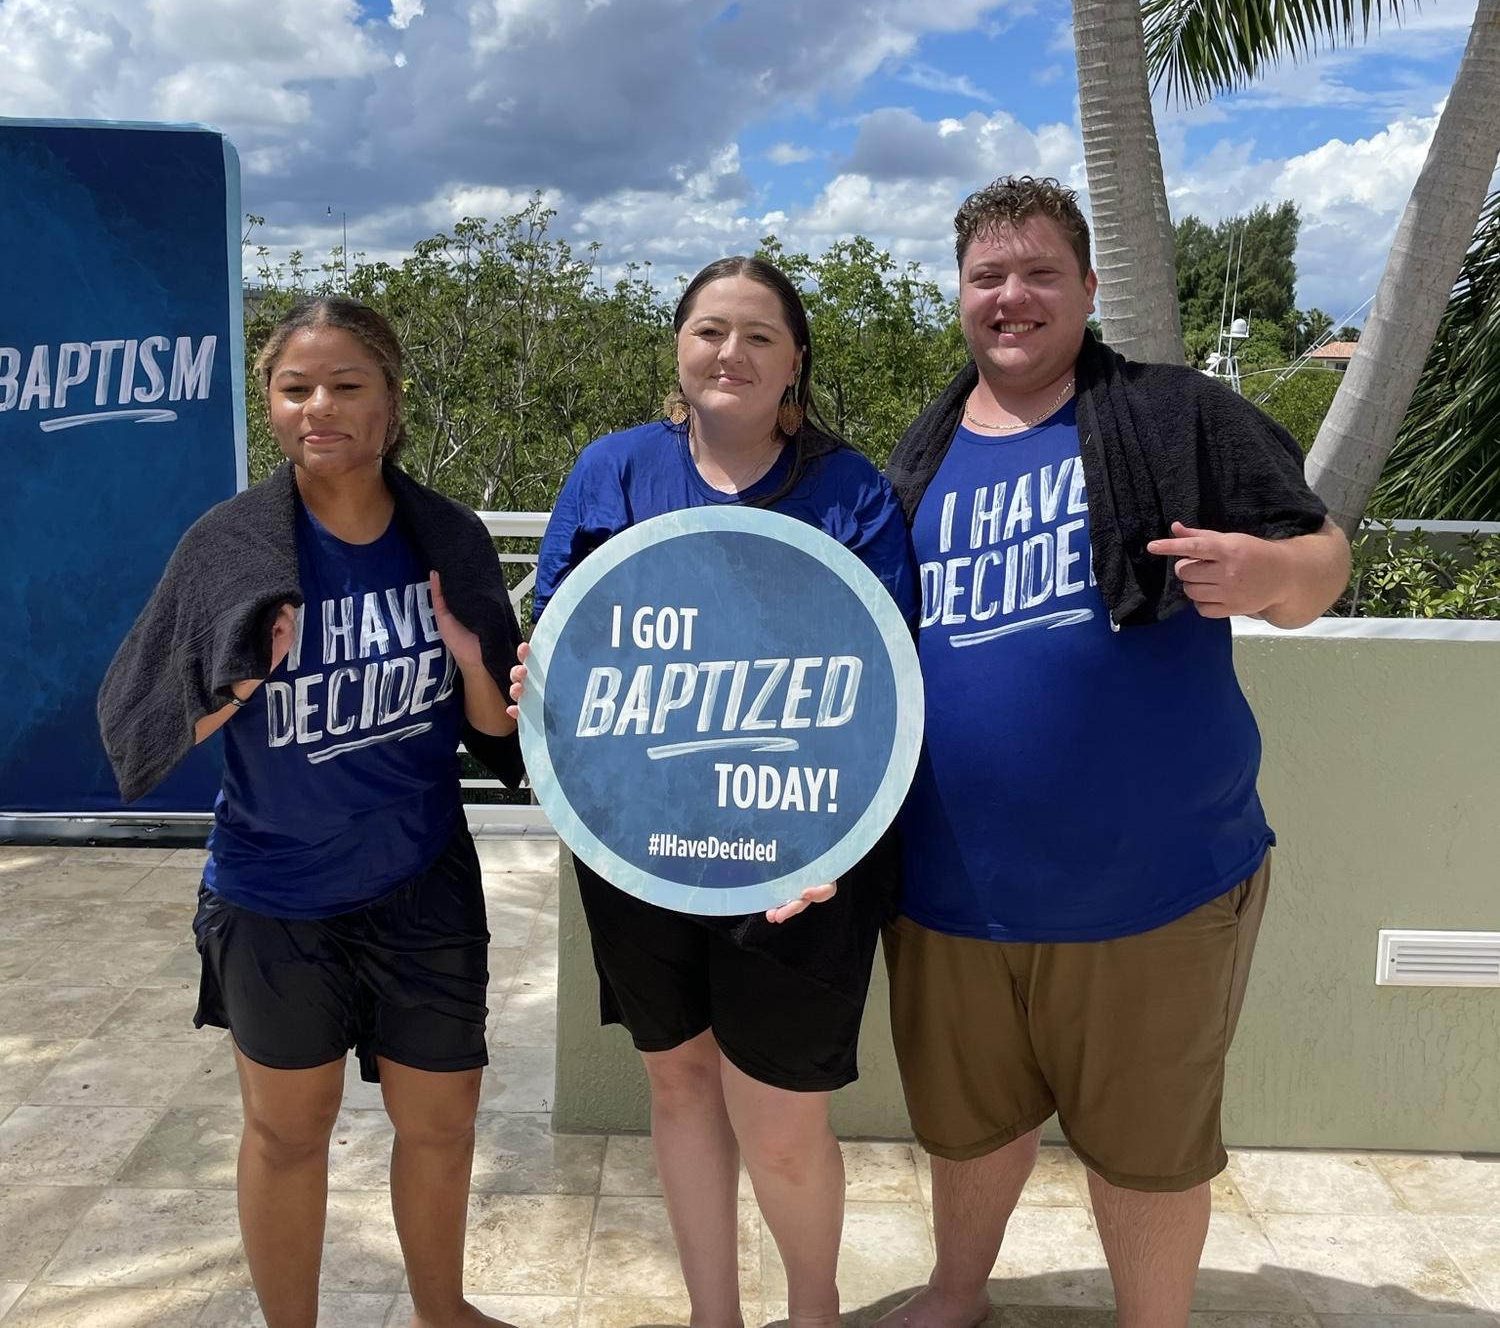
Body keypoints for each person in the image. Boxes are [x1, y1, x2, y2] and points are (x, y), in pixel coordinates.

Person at [879, 177, 1351, 1328]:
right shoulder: (918, 456)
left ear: (1088, 288)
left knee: (1146, 1153)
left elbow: (1327, 557)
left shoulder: (1176, 415)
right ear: (960, 294)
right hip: (951, 887)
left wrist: (1270, 576)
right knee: (966, 1122)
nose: (1013, 296)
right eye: (989, 275)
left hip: (1153, 883)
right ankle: (957, 1292)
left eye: (1041, 272)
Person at [98, 297, 525, 1328]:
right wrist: (240, 687)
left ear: (391, 400)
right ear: (271, 404)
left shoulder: (446, 539)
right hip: (275, 895)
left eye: (346, 385)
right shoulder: (230, 547)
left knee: (443, 1123)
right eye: (296, 389)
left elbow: (501, 738)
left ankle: (443, 1313)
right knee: (289, 1132)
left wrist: (473, 665)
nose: (319, 407)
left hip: (422, 883)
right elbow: (137, 727)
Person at [514, 255, 917, 1328]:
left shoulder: (852, 492)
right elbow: (563, 640)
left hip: (800, 864)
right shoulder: (615, 470)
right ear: (678, 347)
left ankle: (814, 1313)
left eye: (757, 335)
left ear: (795, 364)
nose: (728, 352)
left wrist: (836, 847)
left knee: (781, 1121)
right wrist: (532, 677)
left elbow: (886, 685)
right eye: (707, 330)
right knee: (680, 1085)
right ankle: (712, 1315)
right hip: (641, 845)